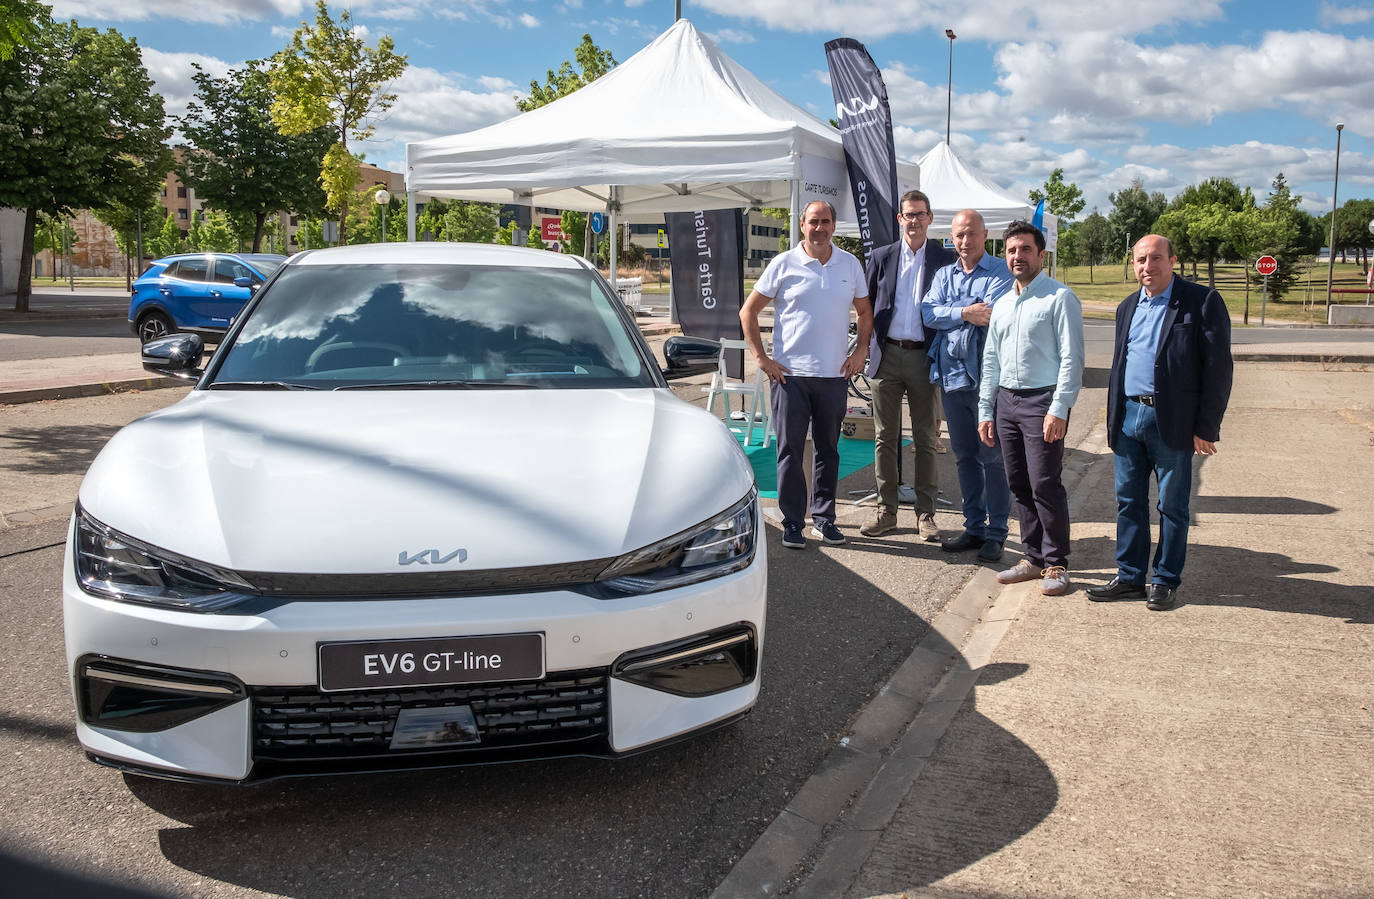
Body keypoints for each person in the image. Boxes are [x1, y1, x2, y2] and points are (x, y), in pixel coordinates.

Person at [1087, 235, 1233, 611]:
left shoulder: (1201, 302)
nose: (1146, 267)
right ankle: (1130, 576)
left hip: (1173, 421)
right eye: (1139, 260)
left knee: (1172, 505)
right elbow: (1120, 366)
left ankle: (1165, 579)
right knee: (1128, 502)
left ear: (1173, 260)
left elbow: (1218, 370)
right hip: (1129, 418)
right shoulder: (1127, 307)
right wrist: (1113, 421)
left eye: (1154, 259)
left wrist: (1207, 427)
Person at [740, 200, 873, 549]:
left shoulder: (850, 264)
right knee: (790, 452)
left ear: (833, 225)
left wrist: (860, 350)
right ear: (802, 224)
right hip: (790, 378)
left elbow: (864, 311)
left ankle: (824, 519)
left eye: (826, 221)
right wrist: (762, 358)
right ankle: (794, 522)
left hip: (833, 376)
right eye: (813, 221)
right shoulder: (784, 264)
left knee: (829, 450)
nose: (820, 228)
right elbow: (748, 312)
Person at [977, 220, 1084, 596]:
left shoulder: (1059, 298)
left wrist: (1060, 407)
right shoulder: (1003, 303)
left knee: (1044, 483)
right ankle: (1033, 557)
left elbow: (1072, 358)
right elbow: (991, 358)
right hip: (1006, 401)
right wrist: (985, 411)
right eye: (1011, 250)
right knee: (1018, 483)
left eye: (1025, 249)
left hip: (1042, 400)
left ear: (1041, 254)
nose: (1017, 256)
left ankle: (1056, 563)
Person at [858, 189, 957, 540]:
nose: (914, 220)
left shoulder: (945, 259)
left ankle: (926, 514)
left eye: (920, 214)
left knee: (926, 438)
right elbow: (866, 307)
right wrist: (862, 349)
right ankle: (887, 512)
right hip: (886, 356)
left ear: (930, 218)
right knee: (885, 437)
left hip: (923, 358)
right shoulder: (882, 257)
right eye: (908, 215)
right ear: (900, 219)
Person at [922, 209, 1015, 562]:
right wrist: (963, 312)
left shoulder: (1000, 272)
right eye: (959, 235)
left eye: (971, 234)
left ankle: (997, 531)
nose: (964, 241)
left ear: (985, 234)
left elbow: (990, 312)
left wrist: (949, 310)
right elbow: (928, 313)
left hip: (986, 377)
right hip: (951, 377)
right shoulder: (944, 273)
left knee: (992, 457)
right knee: (964, 457)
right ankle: (974, 526)